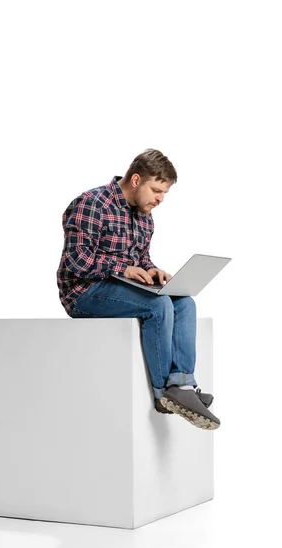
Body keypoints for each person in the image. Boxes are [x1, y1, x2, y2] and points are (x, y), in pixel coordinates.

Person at [56, 149, 220, 430]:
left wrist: (152, 271)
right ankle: (163, 394)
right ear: (135, 180)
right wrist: (120, 269)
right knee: (158, 306)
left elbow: (140, 261)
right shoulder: (91, 203)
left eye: (165, 193)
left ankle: (181, 383)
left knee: (184, 303)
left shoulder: (145, 217)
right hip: (83, 292)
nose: (160, 199)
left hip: (118, 288)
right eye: (156, 190)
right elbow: (75, 261)